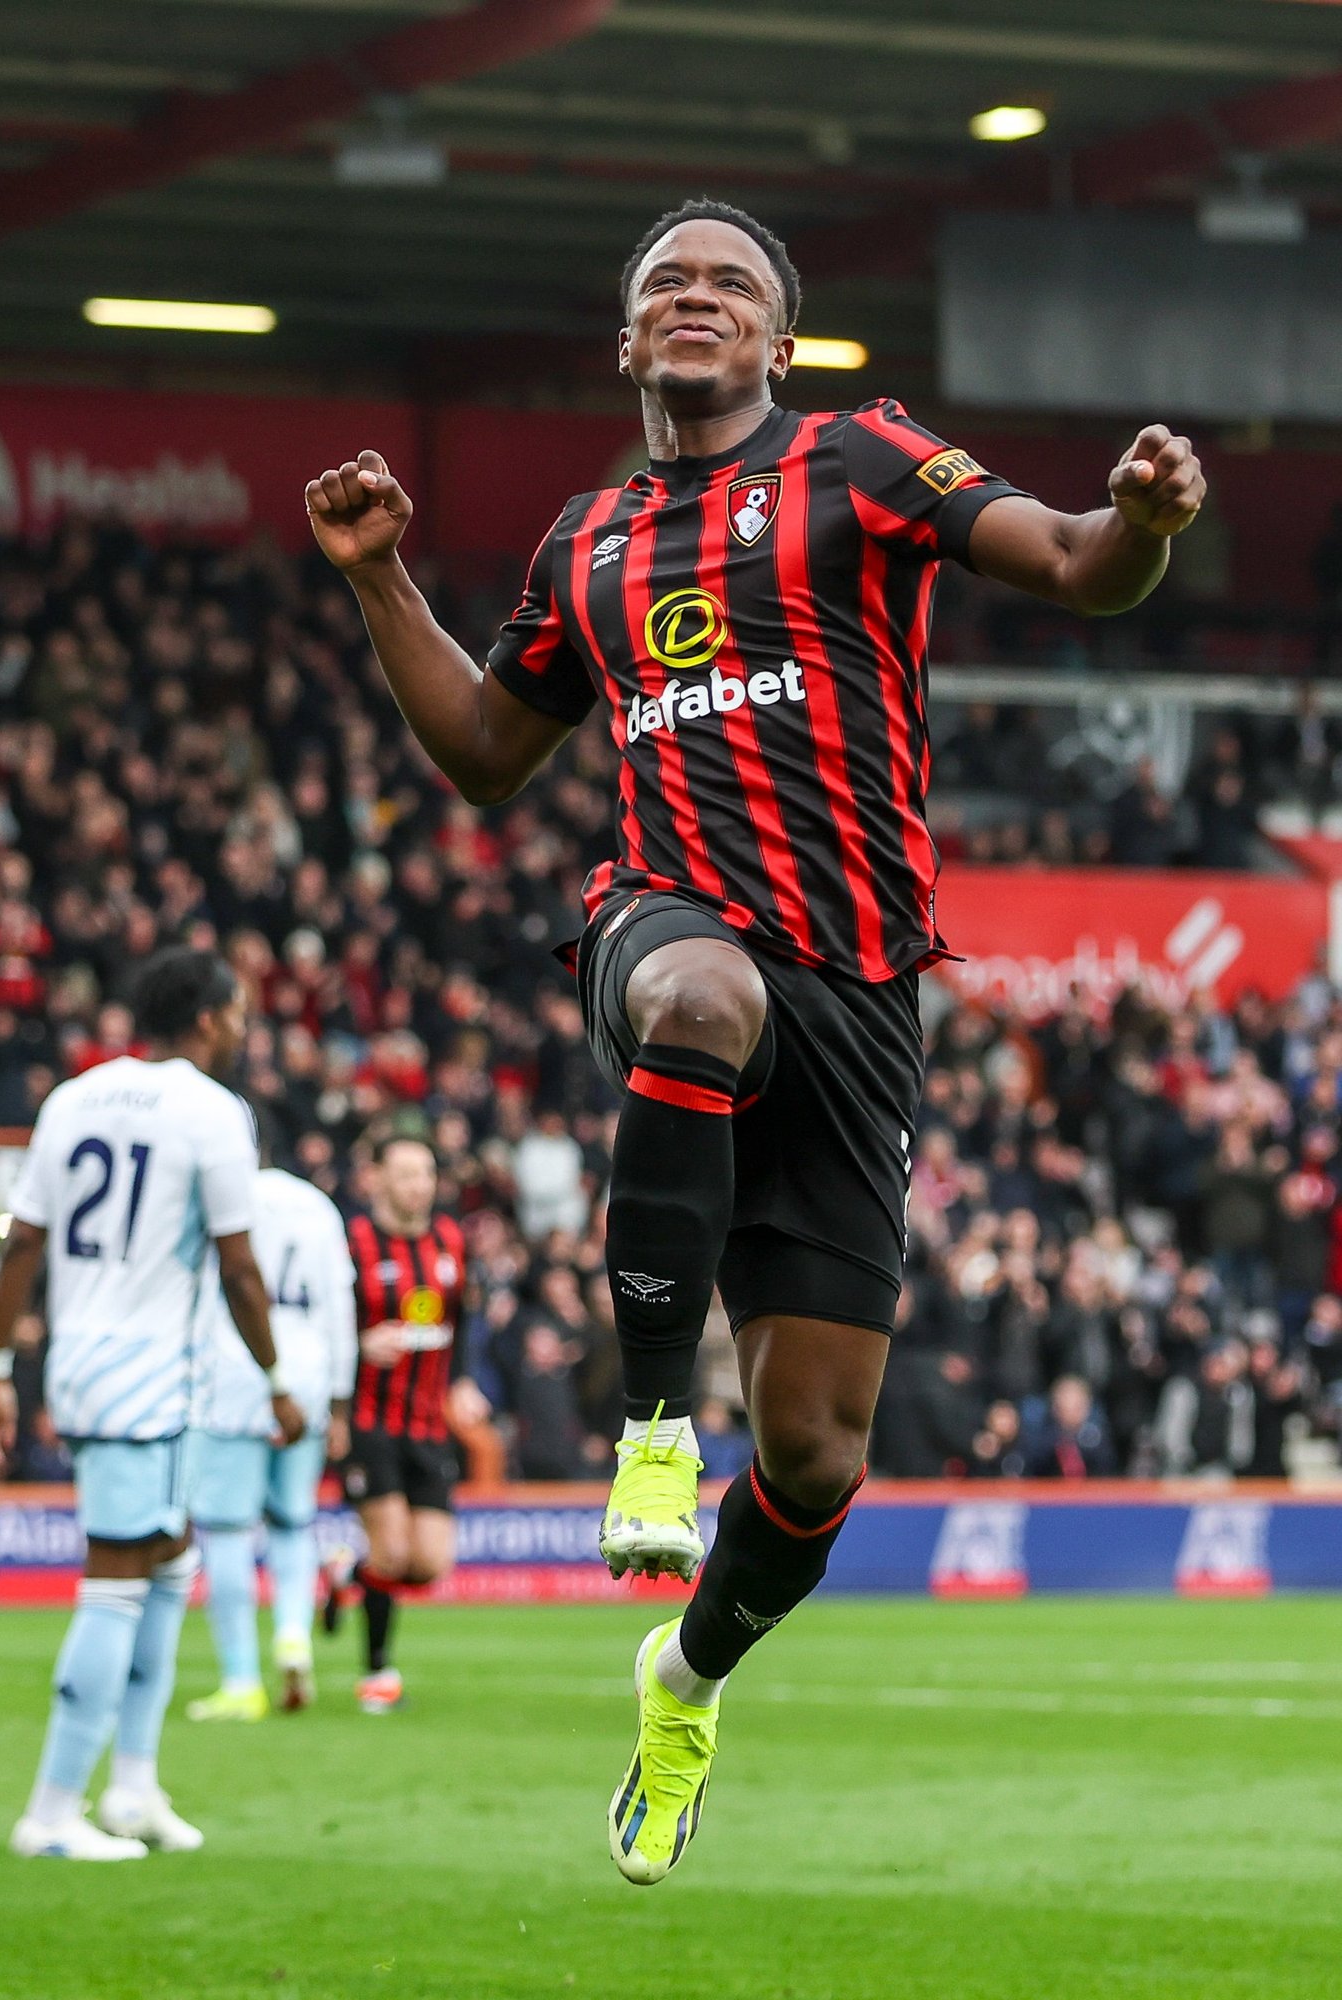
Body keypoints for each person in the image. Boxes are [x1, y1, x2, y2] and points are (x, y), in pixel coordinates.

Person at [306, 197, 1205, 1880]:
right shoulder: (583, 539)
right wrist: (380, 585)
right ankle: (653, 1418)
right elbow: (492, 752)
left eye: (730, 283)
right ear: (630, 339)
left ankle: (687, 1671)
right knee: (694, 997)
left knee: (812, 1454)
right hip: (666, 925)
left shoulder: (865, 461)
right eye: (666, 284)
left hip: (855, 989)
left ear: (777, 340)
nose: (695, 299)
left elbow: (1081, 566)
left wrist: (1139, 516)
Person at [0, 946, 300, 1860]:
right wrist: (276, 1381)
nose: (241, 1029)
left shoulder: (73, 1097)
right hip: (146, 1375)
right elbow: (237, 1263)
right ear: (205, 1017)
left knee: (167, 1565)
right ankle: (50, 1811)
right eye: (236, 1013)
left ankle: (134, 1787)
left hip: (96, 1361)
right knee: (116, 1578)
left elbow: (22, 1244)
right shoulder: (212, 1111)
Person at [186, 1157, 357, 1720]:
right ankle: (292, 1637)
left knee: (229, 1531)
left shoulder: (216, 1199)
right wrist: (337, 1399)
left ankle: (241, 1680)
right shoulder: (317, 1206)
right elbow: (339, 1306)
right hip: (306, 1374)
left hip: (232, 1377)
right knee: (292, 1522)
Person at [324, 1131, 485, 1712]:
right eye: (406, 1173)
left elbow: (463, 1322)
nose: (419, 1184)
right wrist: (358, 1346)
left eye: (427, 1173)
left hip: (427, 1425)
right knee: (392, 1554)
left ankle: (349, 1574)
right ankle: (377, 1674)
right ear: (377, 1179)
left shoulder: (450, 1240)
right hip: (368, 1421)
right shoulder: (352, 1242)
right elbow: (324, 1326)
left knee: (430, 1564)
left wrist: (463, 1380)